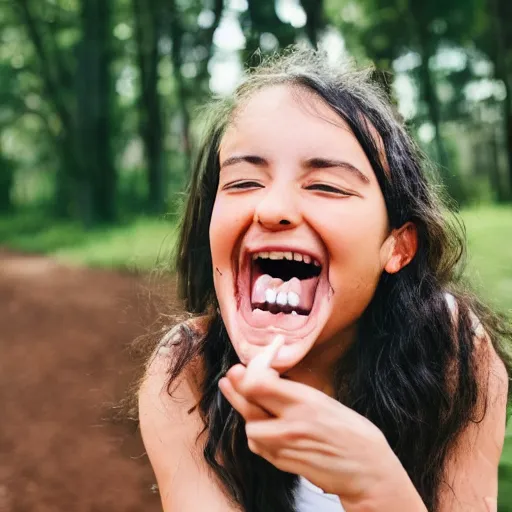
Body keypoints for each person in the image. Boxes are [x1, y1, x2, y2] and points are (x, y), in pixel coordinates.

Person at [138, 48, 511, 512]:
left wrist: (374, 484)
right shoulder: (185, 371)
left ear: (398, 246)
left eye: (327, 186)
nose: (272, 209)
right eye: (242, 183)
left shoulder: (457, 355)